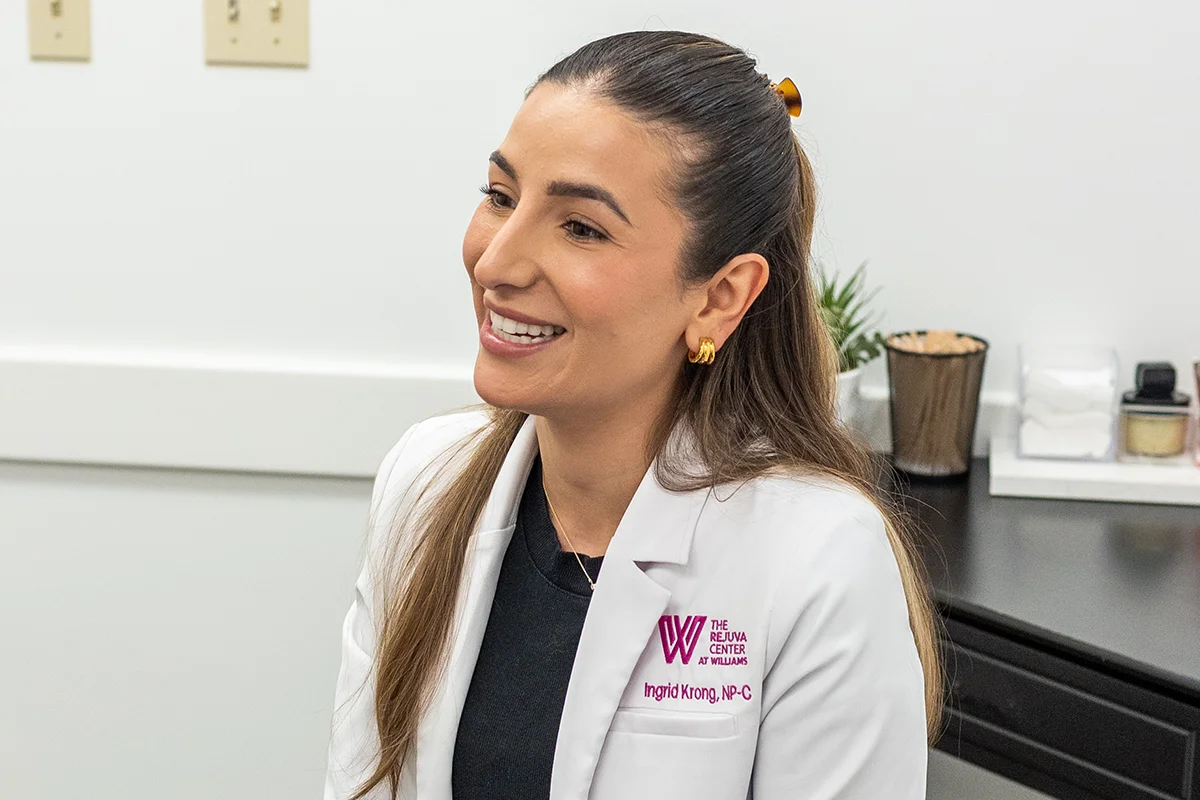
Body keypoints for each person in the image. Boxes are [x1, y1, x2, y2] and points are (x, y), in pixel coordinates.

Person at [324, 29, 940, 800]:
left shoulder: (816, 559)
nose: (495, 263)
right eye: (500, 197)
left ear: (719, 298)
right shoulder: (425, 479)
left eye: (580, 227)